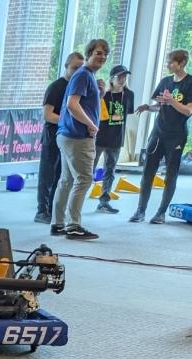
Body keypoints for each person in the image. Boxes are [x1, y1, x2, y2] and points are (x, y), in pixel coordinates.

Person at [51, 39, 109, 240]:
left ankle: (58, 223)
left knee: (66, 180)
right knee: (83, 179)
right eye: (98, 53)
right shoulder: (83, 75)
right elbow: (72, 105)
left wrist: (100, 94)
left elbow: (85, 103)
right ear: (89, 54)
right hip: (77, 136)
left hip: (69, 135)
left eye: (104, 54)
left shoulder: (89, 76)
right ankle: (73, 224)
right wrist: (91, 125)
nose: (101, 57)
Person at [130, 49, 192, 224]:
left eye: (171, 62)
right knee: (147, 172)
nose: (168, 65)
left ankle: (160, 213)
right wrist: (148, 107)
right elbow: (161, 105)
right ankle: (140, 211)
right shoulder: (165, 81)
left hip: (176, 136)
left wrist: (172, 101)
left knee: (170, 175)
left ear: (181, 64)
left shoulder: (190, 83)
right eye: (168, 61)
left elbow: (187, 110)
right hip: (158, 133)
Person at [35, 52, 85, 223]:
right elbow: (48, 115)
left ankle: (54, 210)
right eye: (74, 68)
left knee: (62, 176)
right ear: (66, 66)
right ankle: (42, 211)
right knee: (47, 175)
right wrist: (68, 121)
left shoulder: (79, 88)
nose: (77, 71)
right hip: (52, 137)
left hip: (68, 138)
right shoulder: (56, 87)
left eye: (80, 69)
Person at [94, 65, 135, 214]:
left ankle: (104, 202)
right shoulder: (103, 94)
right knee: (88, 170)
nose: (123, 79)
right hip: (99, 137)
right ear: (112, 78)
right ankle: (75, 200)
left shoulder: (129, 95)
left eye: (125, 77)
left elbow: (127, 114)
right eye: (120, 76)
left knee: (109, 171)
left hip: (116, 139)